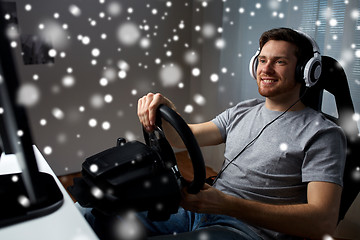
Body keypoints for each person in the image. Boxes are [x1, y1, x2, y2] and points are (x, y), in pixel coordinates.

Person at [135, 28, 346, 239]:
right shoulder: (242, 111)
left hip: (244, 230)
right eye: (263, 60)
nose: (266, 69)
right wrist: (166, 109)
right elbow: (182, 138)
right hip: (198, 212)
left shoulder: (323, 134)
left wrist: (227, 205)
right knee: (107, 217)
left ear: (304, 70)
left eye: (279, 62)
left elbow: (322, 223)